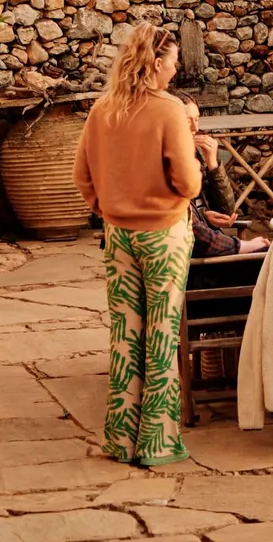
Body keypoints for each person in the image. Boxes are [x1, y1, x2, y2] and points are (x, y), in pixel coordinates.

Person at [72, 24, 201, 466]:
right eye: (173, 60)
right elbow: (188, 181)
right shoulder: (169, 111)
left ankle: (120, 440)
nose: (177, 66)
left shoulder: (103, 108)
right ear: (156, 62)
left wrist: (110, 208)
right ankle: (156, 443)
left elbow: (81, 176)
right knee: (162, 335)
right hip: (164, 233)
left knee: (125, 336)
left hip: (118, 234)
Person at [171, 92, 269, 259]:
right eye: (188, 120)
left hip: (212, 244)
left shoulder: (195, 153)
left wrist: (213, 165)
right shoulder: (165, 164)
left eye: (197, 119)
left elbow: (226, 210)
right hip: (195, 257)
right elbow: (194, 233)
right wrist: (244, 245)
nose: (195, 128)